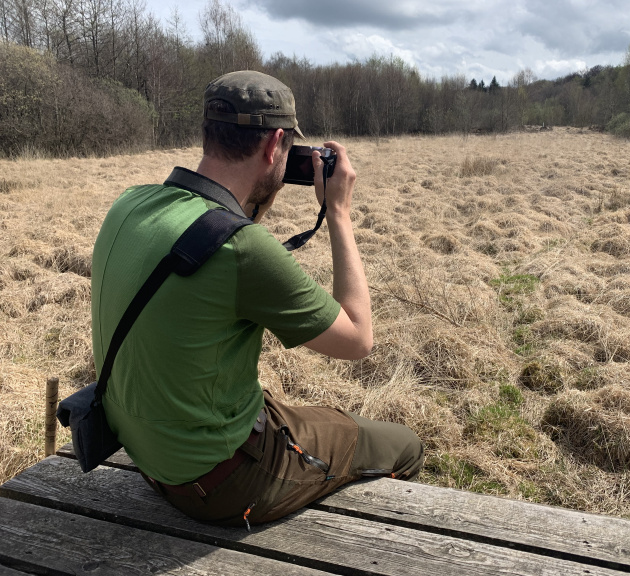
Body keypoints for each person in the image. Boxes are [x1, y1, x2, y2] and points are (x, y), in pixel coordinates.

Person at [91, 70, 424, 528]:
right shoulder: (243, 249)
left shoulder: (128, 204)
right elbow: (358, 340)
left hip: (150, 457)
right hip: (219, 484)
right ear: (275, 146)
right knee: (403, 443)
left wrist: (251, 202)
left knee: (302, 413)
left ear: (209, 133)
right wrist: (340, 215)